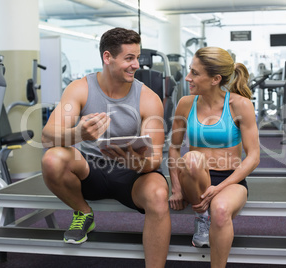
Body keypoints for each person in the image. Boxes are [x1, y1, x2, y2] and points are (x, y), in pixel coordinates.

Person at [41, 27, 170, 268]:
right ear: (107, 57)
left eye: (137, 58)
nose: (136, 65)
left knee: (159, 194)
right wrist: (77, 133)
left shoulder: (148, 98)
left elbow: (153, 160)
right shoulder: (80, 88)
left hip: (133, 173)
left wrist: (136, 162)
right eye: (129, 58)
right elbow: (48, 135)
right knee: (52, 158)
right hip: (90, 171)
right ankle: (83, 212)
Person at [168, 47, 260, 267]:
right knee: (192, 158)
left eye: (195, 73)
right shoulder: (186, 103)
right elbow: (173, 148)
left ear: (215, 79)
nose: (188, 78)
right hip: (193, 178)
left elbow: (253, 156)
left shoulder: (240, 105)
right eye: (190, 71)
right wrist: (177, 188)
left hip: (230, 180)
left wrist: (220, 188)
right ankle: (202, 217)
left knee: (219, 211)